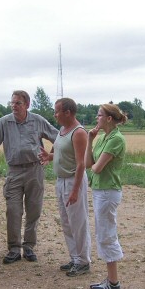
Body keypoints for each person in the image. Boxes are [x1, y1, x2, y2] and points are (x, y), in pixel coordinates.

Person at [0, 90, 58, 264]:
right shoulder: (4, 122)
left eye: (18, 103)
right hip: (14, 172)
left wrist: (49, 156)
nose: (14, 106)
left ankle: (29, 247)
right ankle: (14, 248)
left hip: (34, 170)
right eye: (12, 103)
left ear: (27, 105)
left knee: (34, 210)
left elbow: (59, 138)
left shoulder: (38, 121)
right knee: (13, 211)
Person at [39, 98, 91, 277]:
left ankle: (83, 261)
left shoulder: (78, 133)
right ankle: (75, 257)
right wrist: (49, 155)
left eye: (57, 111)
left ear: (67, 112)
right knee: (67, 222)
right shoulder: (62, 130)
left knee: (78, 221)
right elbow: (62, 153)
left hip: (72, 181)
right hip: (61, 181)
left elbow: (80, 164)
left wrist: (75, 190)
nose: (55, 115)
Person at [84, 103, 127, 289]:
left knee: (107, 233)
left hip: (108, 191)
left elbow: (97, 167)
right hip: (100, 189)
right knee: (103, 232)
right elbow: (88, 163)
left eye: (99, 115)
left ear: (109, 118)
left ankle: (113, 281)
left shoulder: (116, 139)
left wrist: (94, 166)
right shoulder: (102, 138)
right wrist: (89, 140)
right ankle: (111, 279)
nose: (96, 118)